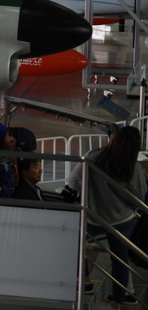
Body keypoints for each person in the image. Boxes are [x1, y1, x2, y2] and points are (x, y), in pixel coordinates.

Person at [66, 126, 147, 307]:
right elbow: (140, 197)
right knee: (120, 260)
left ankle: (85, 282)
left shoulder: (92, 157)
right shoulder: (133, 167)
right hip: (122, 220)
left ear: (114, 139)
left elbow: (73, 183)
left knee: (76, 244)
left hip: (93, 217)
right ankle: (118, 301)